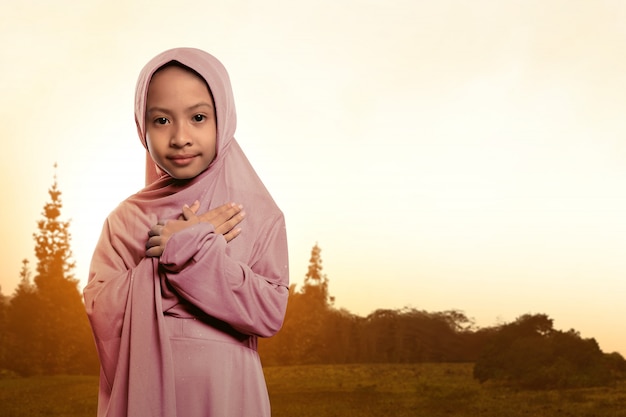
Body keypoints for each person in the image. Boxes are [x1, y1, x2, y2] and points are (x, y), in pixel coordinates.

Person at [84, 47, 289, 417]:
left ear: (223, 119)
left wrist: (192, 250)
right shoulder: (126, 219)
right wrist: (167, 262)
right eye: (161, 121)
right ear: (141, 125)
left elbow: (269, 312)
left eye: (198, 117)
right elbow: (101, 309)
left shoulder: (256, 213)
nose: (180, 137)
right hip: (145, 394)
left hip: (227, 393)